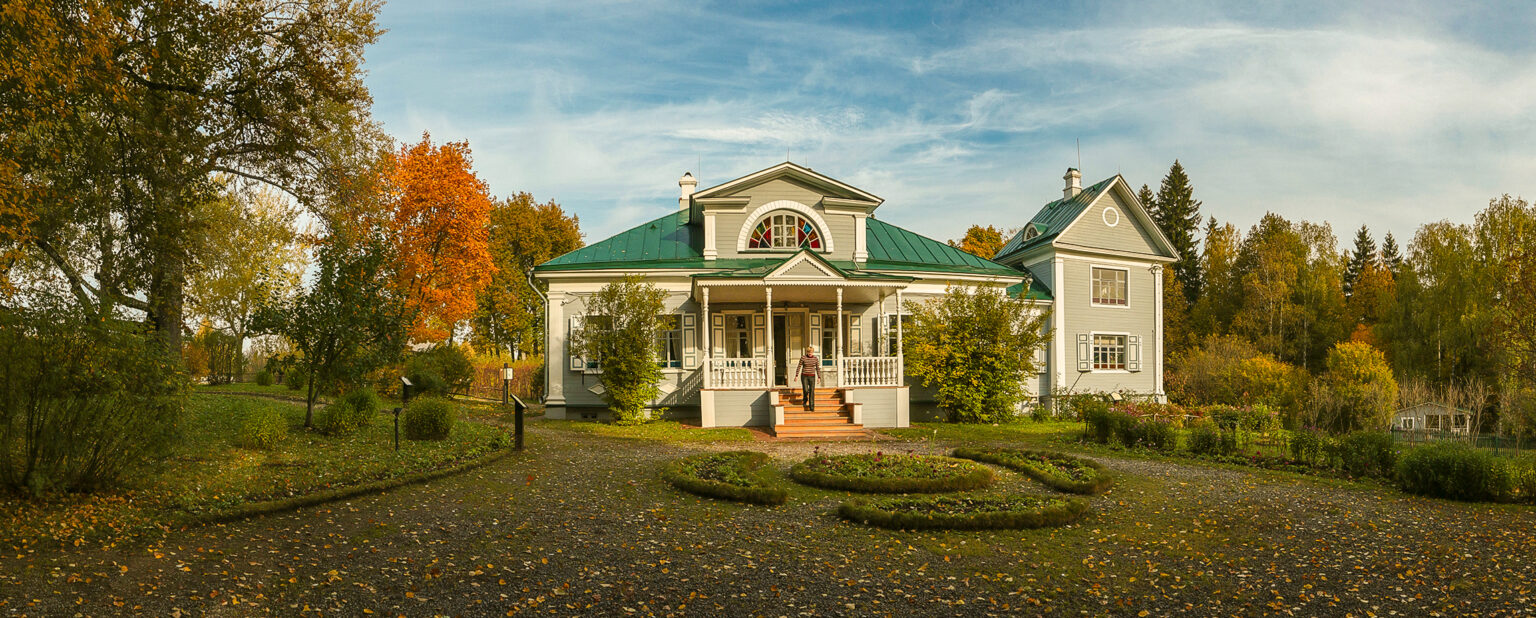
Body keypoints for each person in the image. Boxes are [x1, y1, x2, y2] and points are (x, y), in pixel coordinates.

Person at [795, 346, 823, 410]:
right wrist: (796, 375)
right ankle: (805, 399)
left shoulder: (815, 359)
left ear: (813, 352)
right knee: (805, 390)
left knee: (812, 391)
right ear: (807, 352)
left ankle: (812, 406)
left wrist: (819, 377)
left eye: (811, 352)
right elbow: (799, 366)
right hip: (804, 376)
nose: (810, 353)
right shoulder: (803, 357)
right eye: (808, 352)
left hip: (812, 376)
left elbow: (818, 368)